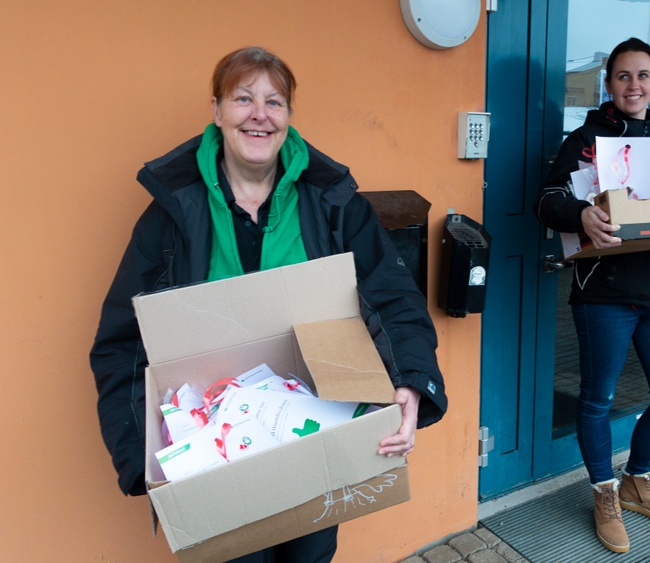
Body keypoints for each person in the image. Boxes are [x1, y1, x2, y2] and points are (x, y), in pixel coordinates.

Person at [90, 46, 448, 562]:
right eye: (243, 99)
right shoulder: (171, 214)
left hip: (316, 434)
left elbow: (392, 296)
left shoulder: (333, 204)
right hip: (217, 458)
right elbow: (122, 341)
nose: (259, 114)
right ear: (216, 111)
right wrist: (140, 457)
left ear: (288, 116)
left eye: (274, 102)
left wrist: (412, 380)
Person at [534, 37, 650, 554]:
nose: (634, 85)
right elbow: (547, 200)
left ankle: (638, 479)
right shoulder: (584, 140)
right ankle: (605, 493)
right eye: (623, 76)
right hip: (603, 294)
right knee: (598, 400)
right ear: (609, 83)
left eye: (643, 75)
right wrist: (579, 213)